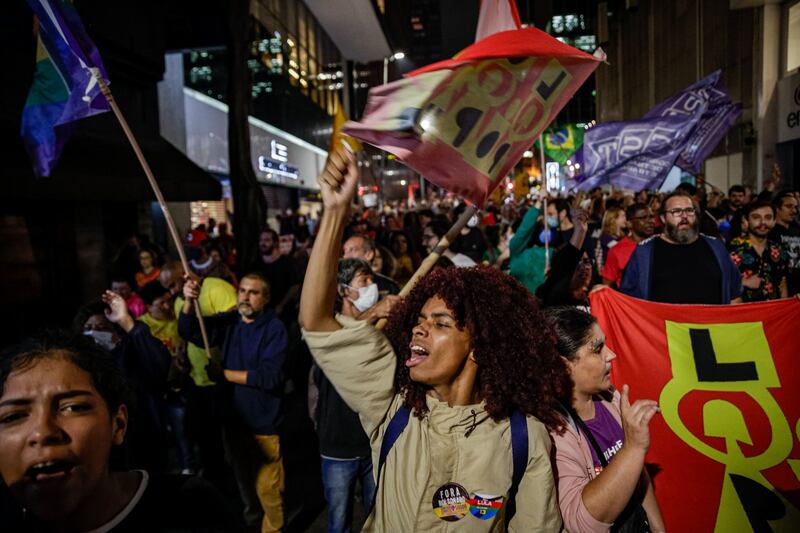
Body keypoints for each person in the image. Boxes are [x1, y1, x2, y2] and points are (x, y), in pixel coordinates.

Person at [299, 147, 568, 531]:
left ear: (479, 345)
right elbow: (316, 321)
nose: (420, 329)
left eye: (441, 323)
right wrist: (335, 213)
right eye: (419, 320)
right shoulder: (390, 409)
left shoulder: (523, 437)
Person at [0, 332, 238, 532]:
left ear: (118, 425)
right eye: (13, 416)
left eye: (73, 408)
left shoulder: (191, 509)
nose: (42, 432)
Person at [180, 273, 287, 533]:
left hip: (263, 424)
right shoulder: (230, 322)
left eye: (254, 292)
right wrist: (187, 300)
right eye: (243, 291)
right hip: (233, 420)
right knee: (245, 484)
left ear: (266, 298)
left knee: (268, 489)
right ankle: (252, 524)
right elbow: (189, 329)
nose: (246, 297)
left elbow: (271, 377)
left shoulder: (274, 329)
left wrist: (224, 375)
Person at [546, 306, 665, 533]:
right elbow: (581, 524)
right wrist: (633, 448)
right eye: (598, 349)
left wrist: (658, 528)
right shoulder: (553, 430)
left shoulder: (610, 397)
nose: (611, 354)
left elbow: (637, 473)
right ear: (563, 367)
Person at [311, 258, 382, 532]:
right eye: (363, 281)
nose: (371, 287)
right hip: (337, 447)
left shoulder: (380, 327)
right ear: (343, 291)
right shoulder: (327, 329)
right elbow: (342, 350)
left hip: (372, 443)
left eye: (371, 279)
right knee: (338, 522)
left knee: (377, 519)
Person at [73, 291, 171, 472]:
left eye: (102, 327)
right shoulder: (81, 364)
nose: (94, 333)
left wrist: (126, 321)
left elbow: (159, 364)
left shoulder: (133, 353)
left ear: (116, 332)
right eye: (88, 328)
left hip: (143, 442)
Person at [160, 261, 236, 485]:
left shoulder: (217, 288)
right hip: (197, 379)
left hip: (224, 376)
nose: (172, 292)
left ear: (184, 275)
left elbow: (233, 325)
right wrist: (181, 355)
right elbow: (184, 334)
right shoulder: (180, 302)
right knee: (203, 435)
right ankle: (214, 479)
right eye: (168, 288)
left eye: (173, 284)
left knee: (230, 436)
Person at [620, 191, 742, 304]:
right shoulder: (644, 252)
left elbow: (734, 295)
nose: (684, 216)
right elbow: (628, 300)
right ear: (663, 218)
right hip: (662, 326)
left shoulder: (716, 247)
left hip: (712, 325)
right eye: (676, 211)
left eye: (689, 210)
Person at [728, 201, 790, 301]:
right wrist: (742, 282)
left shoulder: (780, 250)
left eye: (768, 217)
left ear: (774, 221)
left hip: (773, 312)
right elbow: (718, 283)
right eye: (756, 217)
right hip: (742, 313)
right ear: (746, 221)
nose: (763, 222)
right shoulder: (730, 249)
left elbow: (782, 284)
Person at [602, 203, 655, 288]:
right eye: (643, 218)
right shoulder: (616, 251)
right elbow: (606, 287)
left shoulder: (661, 245)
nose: (650, 221)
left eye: (652, 217)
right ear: (629, 224)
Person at [508, 199, 551, 295]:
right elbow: (524, 230)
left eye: (551, 215)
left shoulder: (552, 251)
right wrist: (537, 205)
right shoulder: (517, 248)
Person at [770, 191, 800, 295]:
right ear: (777, 209)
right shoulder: (770, 232)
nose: (794, 211)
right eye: (789, 206)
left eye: (795, 207)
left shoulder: (797, 231)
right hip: (779, 285)